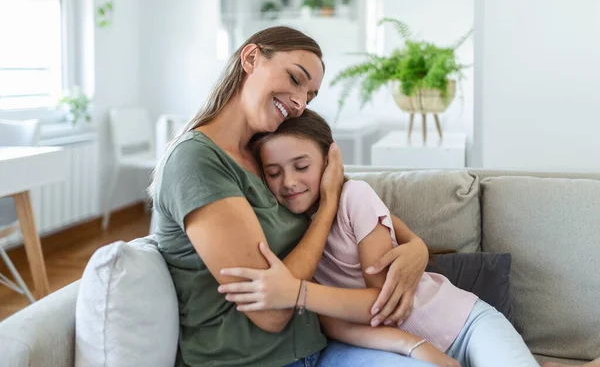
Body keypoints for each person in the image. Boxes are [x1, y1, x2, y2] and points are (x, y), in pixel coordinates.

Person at [150, 26, 431, 367]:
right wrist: (326, 208)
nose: (300, 103)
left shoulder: (266, 154)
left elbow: (354, 202)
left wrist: (417, 246)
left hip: (321, 345)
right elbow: (271, 312)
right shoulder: (196, 161)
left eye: (310, 97)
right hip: (251, 360)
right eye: (296, 79)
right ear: (251, 58)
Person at [219, 109, 542, 367]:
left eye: (301, 166)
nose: (289, 182)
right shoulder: (287, 230)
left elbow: (382, 302)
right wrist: (416, 347)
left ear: (330, 160)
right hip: (403, 350)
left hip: (467, 325)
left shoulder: (354, 197)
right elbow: (335, 326)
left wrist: (295, 292)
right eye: (274, 173)